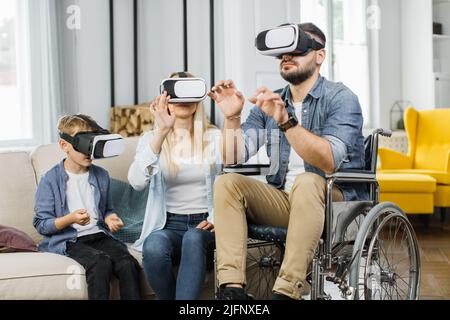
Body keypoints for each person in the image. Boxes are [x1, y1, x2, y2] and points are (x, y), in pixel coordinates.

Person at [209, 23, 367, 300]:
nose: (286, 56)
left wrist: (286, 121)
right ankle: (232, 291)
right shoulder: (272, 101)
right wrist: (232, 117)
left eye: (297, 49)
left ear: (320, 55)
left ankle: (286, 292)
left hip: (337, 204)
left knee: (307, 181)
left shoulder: (341, 98)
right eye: (282, 53)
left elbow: (329, 161)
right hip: (288, 201)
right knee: (227, 182)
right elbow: (233, 156)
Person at [128, 72, 221, 300]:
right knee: (153, 247)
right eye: (175, 93)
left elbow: (231, 183)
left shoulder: (216, 137)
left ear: (198, 98)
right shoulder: (151, 138)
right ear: (164, 99)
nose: (182, 99)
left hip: (205, 225)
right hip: (168, 224)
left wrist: (216, 218)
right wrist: (161, 132)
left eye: (188, 92)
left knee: (193, 238)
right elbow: (137, 182)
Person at [33, 114, 141, 300]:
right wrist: (70, 219)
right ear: (64, 145)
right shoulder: (50, 180)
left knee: (127, 263)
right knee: (100, 262)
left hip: (98, 235)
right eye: (84, 143)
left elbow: (106, 209)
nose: (89, 150)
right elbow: (41, 224)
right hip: (69, 240)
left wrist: (109, 217)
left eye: (93, 143)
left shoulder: (101, 175)